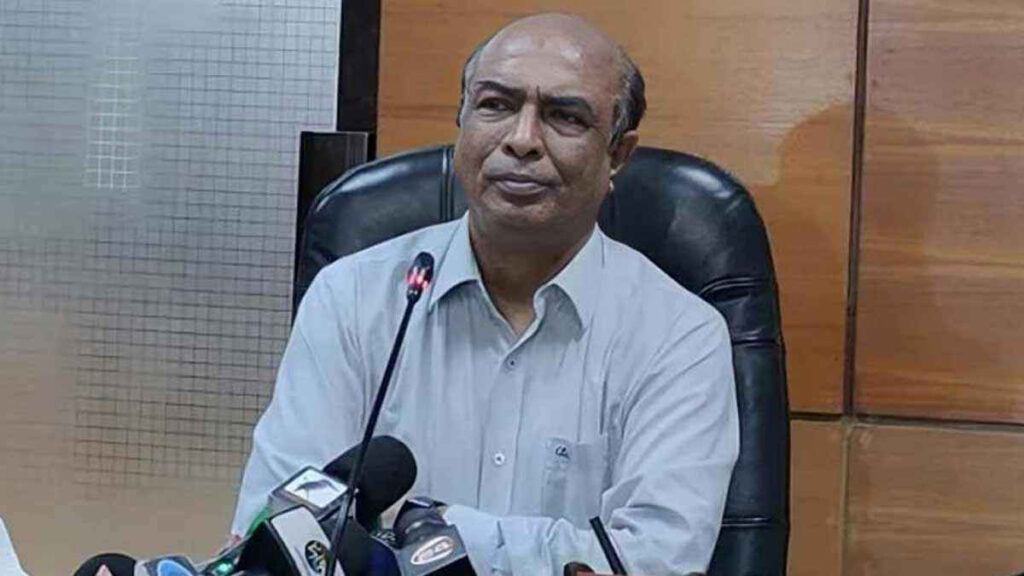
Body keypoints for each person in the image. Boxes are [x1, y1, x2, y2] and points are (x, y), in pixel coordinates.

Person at [232, 13, 739, 576]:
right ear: (462, 121)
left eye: (565, 117)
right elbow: (277, 531)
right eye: (495, 105)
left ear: (617, 154)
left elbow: (653, 562)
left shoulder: (679, 336)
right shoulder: (353, 297)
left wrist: (429, 529)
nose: (521, 140)